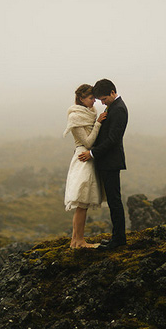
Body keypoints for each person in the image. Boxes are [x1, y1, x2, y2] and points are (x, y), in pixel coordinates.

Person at [78, 79, 127, 250]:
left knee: (115, 201)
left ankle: (119, 240)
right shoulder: (112, 107)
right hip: (106, 161)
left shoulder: (119, 109)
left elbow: (113, 139)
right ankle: (117, 237)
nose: (102, 102)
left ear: (113, 92)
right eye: (100, 100)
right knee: (113, 201)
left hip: (111, 162)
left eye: (104, 99)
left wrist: (92, 153)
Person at [63, 84, 107, 248]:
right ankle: (79, 241)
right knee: (82, 202)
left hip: (89, 158)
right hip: (83, 157)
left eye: (94, 98)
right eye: (90, 98)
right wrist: (98, 124)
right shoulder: (76, 117)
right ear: (81, 99)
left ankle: (76, 240)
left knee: (84, 203)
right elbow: (87, 142)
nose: (94, 101)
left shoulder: (89, 113)